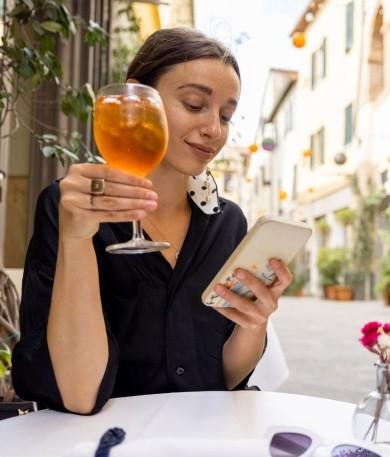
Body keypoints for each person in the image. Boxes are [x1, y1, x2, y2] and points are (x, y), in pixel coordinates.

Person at [12, 27, 292, 415]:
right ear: (137, 99)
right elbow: (79, 395)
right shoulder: (71, 207)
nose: (214, 129)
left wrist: (253, 321)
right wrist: (76, 241)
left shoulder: (227, 222)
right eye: (195, 104)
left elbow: (223, 380)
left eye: (226, 115)